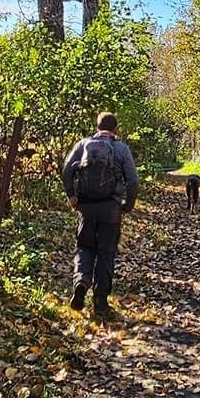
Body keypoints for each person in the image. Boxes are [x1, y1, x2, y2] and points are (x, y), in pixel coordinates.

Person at [61, 111, 138, 322]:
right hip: (111, 209)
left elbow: (67, 170)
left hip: (86, 207)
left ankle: (81, 282)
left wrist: (72, 196)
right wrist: (127, 205)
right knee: (106, 252)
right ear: (115, 129)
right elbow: (132, 181)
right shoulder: (121, 148)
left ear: (97, 128)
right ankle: (101, 303)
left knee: (85, 246)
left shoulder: (83, 145)